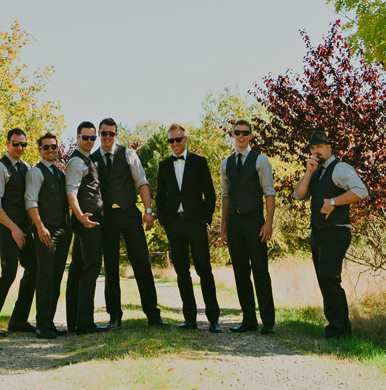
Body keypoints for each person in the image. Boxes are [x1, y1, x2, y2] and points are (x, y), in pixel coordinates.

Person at [292, 128, 369, 339]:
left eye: (319, 147)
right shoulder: (315, 172)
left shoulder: (340, 168)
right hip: (318, 234)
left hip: (336, 232)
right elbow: (298, 196)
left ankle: (338, 330)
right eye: (312, 148)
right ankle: (340, 329)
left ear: (329, 147)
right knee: (325, 280)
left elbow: (361, 191)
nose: (316, 151)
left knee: (329, 277)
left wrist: (334, 202)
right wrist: (308, 172)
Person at [93, 117, 165, 328]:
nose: (107, 137)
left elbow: (142, 182)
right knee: (111, 268)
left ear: (116, 134)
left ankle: (153, 315)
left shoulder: (128, 154)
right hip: (107, 219)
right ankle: (114, 317)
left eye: (111, 134)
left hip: (129, 214)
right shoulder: (93, 158)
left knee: (142, 262)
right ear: (99, 134)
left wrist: (148, 211)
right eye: (104, 133)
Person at [153, 121, 220, 331]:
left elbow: (210, 194)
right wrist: (164, 220)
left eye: (178, 139)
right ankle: (190, 318)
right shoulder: (163, 165)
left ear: (185, 139)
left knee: (204, 270)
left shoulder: (199, 162)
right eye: (171, 140)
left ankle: (213, 319)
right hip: (175, 224)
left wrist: (205, 219)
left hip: (195, 223)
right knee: (182, 272)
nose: (174, 143)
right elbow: (160, 197)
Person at [0, 127, 36, 337]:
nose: (20, 148)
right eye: (16, 143)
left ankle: (18, 321)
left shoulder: (26, 167)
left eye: (23, 144)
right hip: (7, 227)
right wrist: (13, 229)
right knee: (8, 274)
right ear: (7, 144)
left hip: (23, 227)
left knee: (34, 269)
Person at [220, 119, 276, 334]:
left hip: (255, 221)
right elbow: (225, 195)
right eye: (237, 132)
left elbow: (269, 193)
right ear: (233, 135)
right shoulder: (226, 163)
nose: (241, 136)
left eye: (245, 133)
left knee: (260, 271)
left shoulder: (260, 161)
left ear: (251, 136)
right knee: (240, 271)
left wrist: (268, 222)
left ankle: (268, 322)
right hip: (234, 223)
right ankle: (249, 320)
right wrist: (223, 224)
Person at [64, 121, 109, 335]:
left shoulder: (87, 159)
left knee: (78, 270)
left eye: (93, 138)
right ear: (77, 137)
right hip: (87, 222)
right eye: (85, 137)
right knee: (90, 269)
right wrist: (81, 216)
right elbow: (71, 193)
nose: (89, 141)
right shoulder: (76, 162)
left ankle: (75, 321)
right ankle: (84, 323)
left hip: (88, 220)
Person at [25, 132, 71, 339]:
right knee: (45, 277)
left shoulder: (61, 174)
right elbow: (31, 202)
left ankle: (49, 323)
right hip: (45, 232)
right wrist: (40, 227)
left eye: (54, 147)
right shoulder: (36, 172)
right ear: (40, 150)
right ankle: (42, 325)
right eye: (46, 148)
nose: (51, 151)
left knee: (56, 278)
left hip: (63, 232)